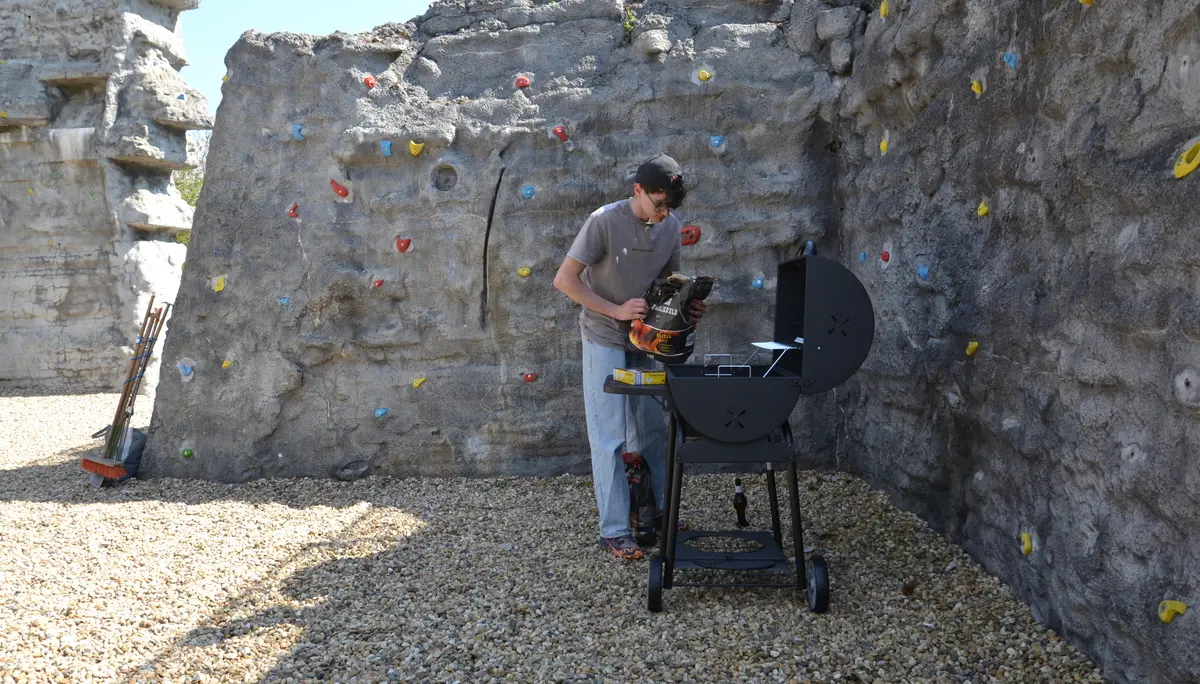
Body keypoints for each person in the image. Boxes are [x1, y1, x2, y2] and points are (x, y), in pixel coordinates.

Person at [553, 153, 708, 560]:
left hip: (648, 341)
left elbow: (668, 288)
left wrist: (688, 305)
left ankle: (657, 516)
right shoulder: (603, 220)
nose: (663, 214)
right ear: (637, 189)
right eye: (658, 204)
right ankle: (615, 530)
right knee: (609, 436)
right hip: (604, 336)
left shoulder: (671, 226)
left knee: (652, 431)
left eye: (670, 207)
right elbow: (564, 280)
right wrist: (618, 310)